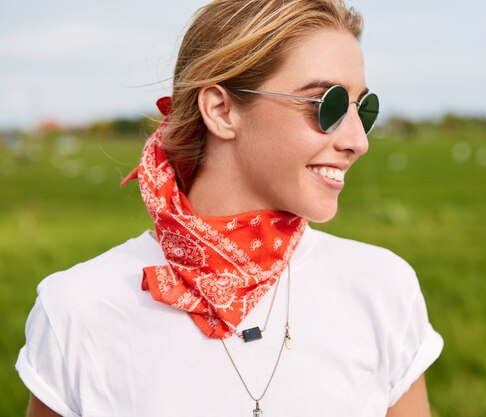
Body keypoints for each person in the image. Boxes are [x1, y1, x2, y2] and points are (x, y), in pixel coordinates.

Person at [16, 0, 444, 416]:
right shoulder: (78, 310)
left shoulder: (383, 291)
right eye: (326, 105)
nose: (358, 140)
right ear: (221, 110)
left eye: (363, 109)